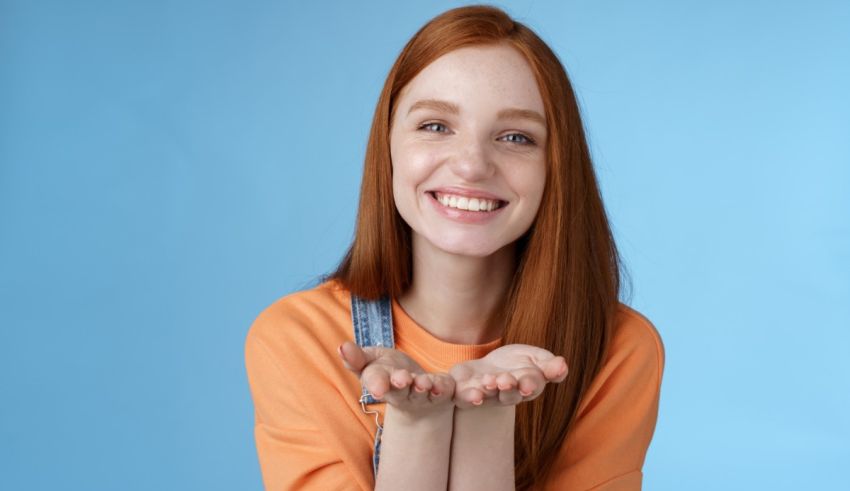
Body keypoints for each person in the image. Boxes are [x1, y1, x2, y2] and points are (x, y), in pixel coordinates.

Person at [245, 4, 665, 490]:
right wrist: (418, 424)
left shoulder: (615, 350)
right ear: (388, 146)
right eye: (436, 126)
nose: (471, 165)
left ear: (556, 166)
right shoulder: (298, 340)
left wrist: (485, 416)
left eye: (515, 136)